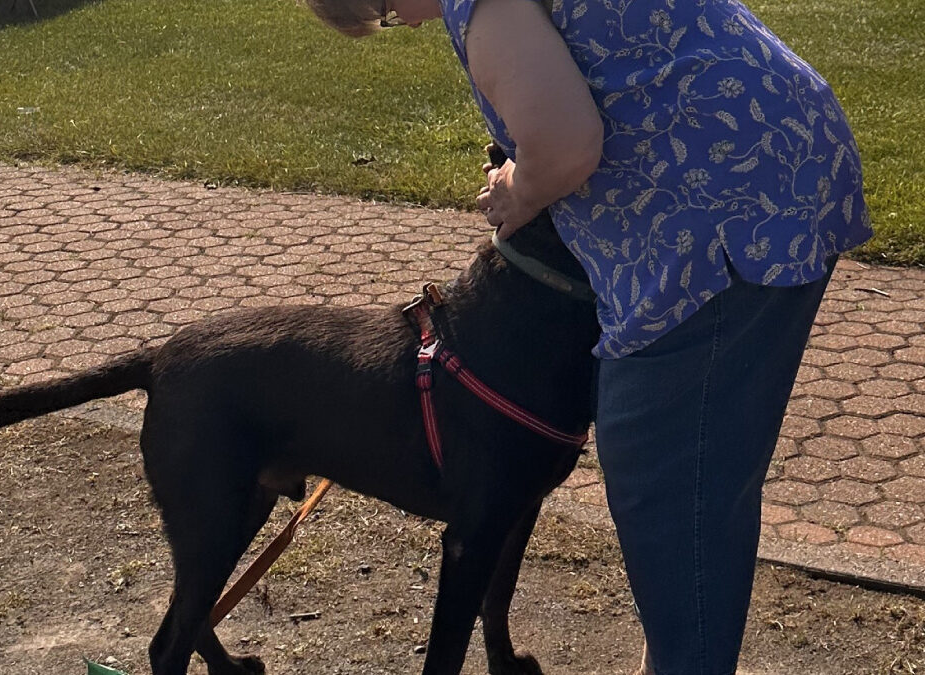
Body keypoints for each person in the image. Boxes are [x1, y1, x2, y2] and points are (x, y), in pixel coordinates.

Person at [303, 0, 873, 673]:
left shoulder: (482, 9)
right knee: (696, 466)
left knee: (664, 471)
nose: (414, 24)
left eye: (391, 13)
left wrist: (518, 189)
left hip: (727, 204)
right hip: (776, 162)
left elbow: (566, 144)